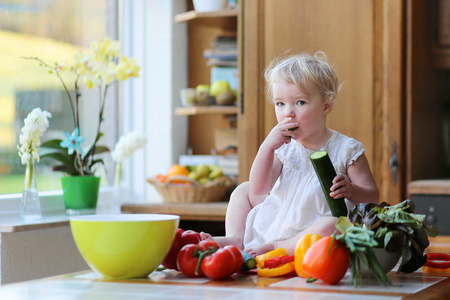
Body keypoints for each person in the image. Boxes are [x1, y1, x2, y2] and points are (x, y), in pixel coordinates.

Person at [201, 51, 379, 256]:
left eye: (300, 102)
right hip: (280, 217)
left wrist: (351, 190)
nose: (288, 112)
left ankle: (276, 248)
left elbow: (373, 196)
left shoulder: (346, 149)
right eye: (280, 104)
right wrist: (267, 147)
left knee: (332, 226)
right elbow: (259, 189)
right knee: (243, 190)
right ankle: (236, 238)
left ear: (326, 105)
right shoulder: (283, 147)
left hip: (311, 231)